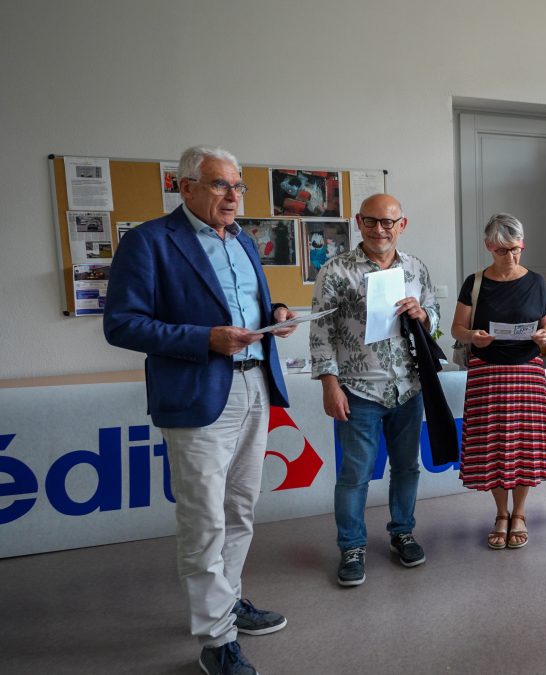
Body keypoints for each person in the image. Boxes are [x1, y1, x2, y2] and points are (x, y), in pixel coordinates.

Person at [104, 145, 296, 675]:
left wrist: (274, 312)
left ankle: (228, 603)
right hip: (197, 394)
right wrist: (203, 339)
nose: (232, 196)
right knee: (205, 521)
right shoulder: (149, 242)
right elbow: (121, 324)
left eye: (238, 186)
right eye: (219, 185)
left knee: (239, 512)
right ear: (184, 187)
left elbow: (249, 303)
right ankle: (216, 640)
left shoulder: (244, 243)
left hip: (255, 385)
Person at [309, 193, 440, 587]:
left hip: (408, 387)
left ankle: (402, 532)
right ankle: (351, 546)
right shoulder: (335, 271)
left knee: (406, 468)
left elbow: (434, 318)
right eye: (371, 221)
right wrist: (330, 385)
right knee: (354, 475)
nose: (380, 229)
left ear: (402, 224)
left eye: (388, 222)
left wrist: (424, 314)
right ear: (358, 222)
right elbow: (320, 334)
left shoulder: (416, 268)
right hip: (359, 390)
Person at [451, 213, 546, 549]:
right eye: (502, 251)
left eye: (517, 249)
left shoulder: (537, 282)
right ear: (488, 247)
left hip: (527, 371)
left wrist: (544, 336)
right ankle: (500, 513)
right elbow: (456, 329)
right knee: (493, 445)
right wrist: (472, 335)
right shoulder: (475, 282)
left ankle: (520, 513)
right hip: (487, 370)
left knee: (524, 445)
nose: (511, 257)